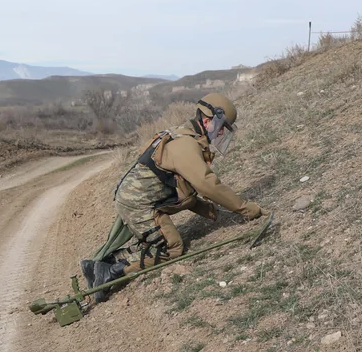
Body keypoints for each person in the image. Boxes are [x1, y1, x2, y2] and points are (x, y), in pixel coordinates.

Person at [82, 92, 267, 302]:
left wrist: (210, 211)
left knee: (152, 241)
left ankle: (100, 265)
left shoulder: (184, 136)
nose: (222, 132)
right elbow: (207, 184)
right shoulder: (186, 145)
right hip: (140, 204)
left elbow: (182, 190)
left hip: (138, 200)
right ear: (208, 121)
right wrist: (245, 208)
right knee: (172, 248)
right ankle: (111, 273)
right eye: (222, 126)